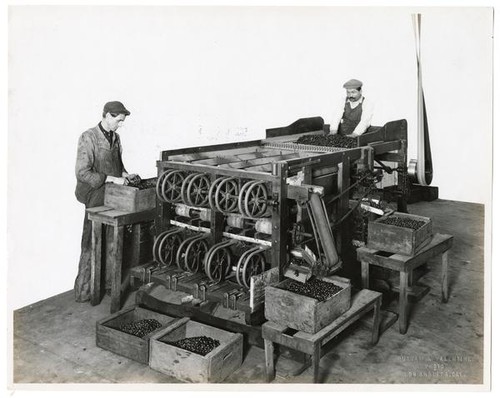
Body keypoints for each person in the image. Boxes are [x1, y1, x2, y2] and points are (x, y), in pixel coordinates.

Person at [74, 101, 140, 302]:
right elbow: (82, 172)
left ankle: (110, 287)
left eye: (122, 122)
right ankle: (85, 291)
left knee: (113, 241)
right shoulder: (88, 137)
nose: (120, 125)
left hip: (113, 195)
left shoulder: (116, 138)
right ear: (107, 116)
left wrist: (127, 175)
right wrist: (111, 178)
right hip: (94, 196)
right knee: (91, 242)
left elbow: (118, 166)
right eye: (118, 121)